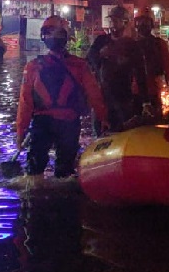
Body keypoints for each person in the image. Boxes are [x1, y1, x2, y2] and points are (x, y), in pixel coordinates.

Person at [15, 15, 109, 179]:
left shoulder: (34, 67)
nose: (53, 37)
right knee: (64, 172)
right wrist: (103, 118)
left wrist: (21, 131)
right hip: (66, 124)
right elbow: (95, 96)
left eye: (55, 33)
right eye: (50, 33)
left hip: (47, 124)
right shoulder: (79, 66)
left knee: (34, 173)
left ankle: (34, 200)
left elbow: (25, 103)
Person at [86, 6, 152, 131]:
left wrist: (146, 102)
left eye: (116, 21)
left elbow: (141, 74)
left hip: (123, 99)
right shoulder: (101, 41)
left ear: (125, 23)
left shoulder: (132, 46)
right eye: (111, 21)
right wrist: (101, 54)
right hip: (102, 98)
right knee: (100, 134)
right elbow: (88, 61)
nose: (112, 25)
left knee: (122, 132)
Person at [134, 11, 169, 120]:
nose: (142, 25)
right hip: (134, 93)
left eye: (145, 22)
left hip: (153, 90)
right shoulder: (130, 44)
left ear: (151, 25)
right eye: (140, 22)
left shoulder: (158, 44)